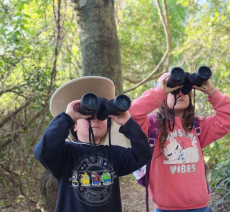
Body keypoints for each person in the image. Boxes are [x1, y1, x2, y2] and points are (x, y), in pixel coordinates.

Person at [34, 76, 152, 212]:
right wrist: (67, 118)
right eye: (88, 117)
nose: (95, 120)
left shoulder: (114, 154)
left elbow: (143, 154)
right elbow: (42, 151)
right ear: (74, 126)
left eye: (101, 116)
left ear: (107, 124)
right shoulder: (65, 153)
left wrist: (128, 123)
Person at [129, 73, 230, 212]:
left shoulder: (198, 126)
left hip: (199, 207)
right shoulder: (151, 125)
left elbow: (229, 117)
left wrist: (212, 92)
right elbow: (131, 114)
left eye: (184, 90)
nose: (180, 94)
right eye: (173, 91)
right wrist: (158, 92)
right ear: (163, 97)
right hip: (166, 208)